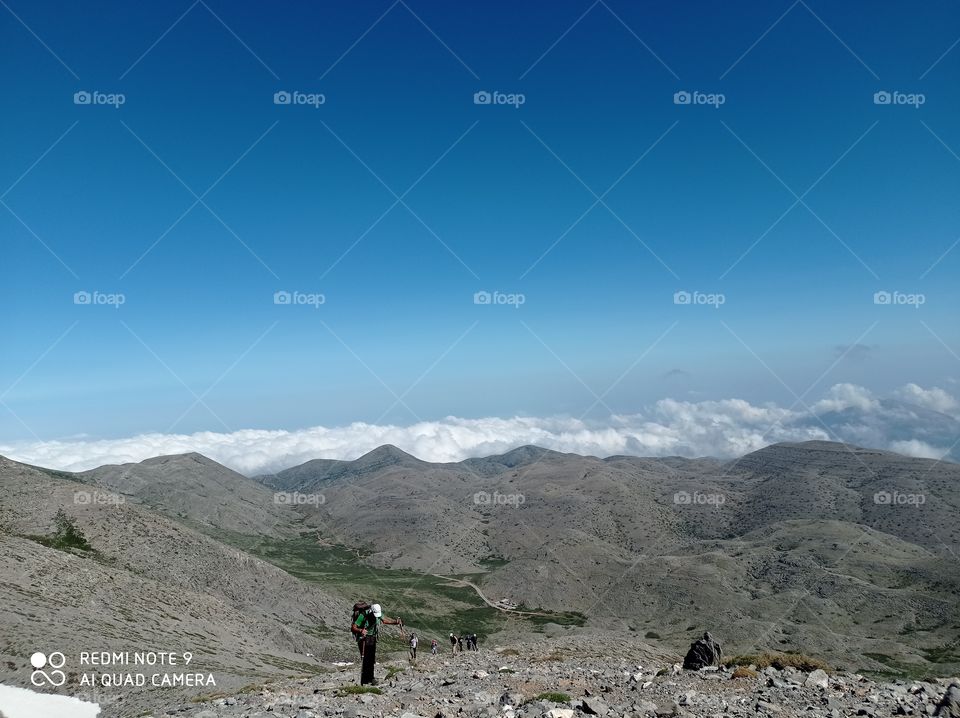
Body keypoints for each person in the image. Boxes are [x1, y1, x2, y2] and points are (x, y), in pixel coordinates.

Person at [351, 603, 402, 685]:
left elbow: (384, 620)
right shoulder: (363, 615)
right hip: (363, 638)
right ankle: (364, 680)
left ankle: (371, 678)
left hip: (372, 637)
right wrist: (361, 630)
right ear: (371, 611)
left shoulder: (378, 613)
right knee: (365, 659)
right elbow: (354, 627)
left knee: (371, 658)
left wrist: (395, 622)